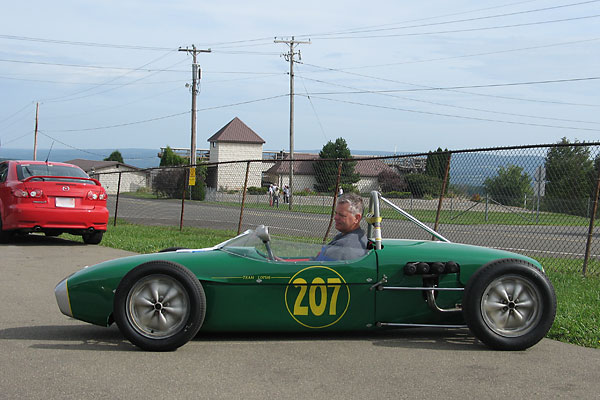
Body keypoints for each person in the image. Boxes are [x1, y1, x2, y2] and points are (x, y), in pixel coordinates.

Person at [315, 193, 367, 261]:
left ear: (357, 218)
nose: (335, 218)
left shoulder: (343, 246)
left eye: (342, 215)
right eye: (336, 213)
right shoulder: (357, 237)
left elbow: (317, 268)